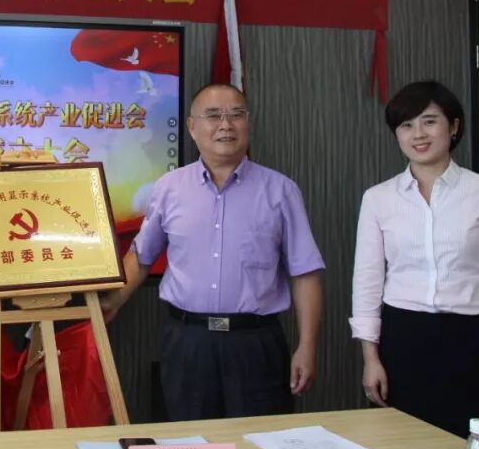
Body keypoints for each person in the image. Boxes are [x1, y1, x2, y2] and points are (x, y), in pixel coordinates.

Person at [101, 83, 324, 420]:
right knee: (192, 440)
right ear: (192, 127)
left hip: (255, 343)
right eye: (213, 115)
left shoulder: (281, 190)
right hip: (189, 342)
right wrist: (110, 303)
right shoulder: (169, 188)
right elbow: (141, 258)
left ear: (248, 122)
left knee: (260, 443)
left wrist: (307, 347)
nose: (226, 125)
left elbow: (305, 273)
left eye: (236, 115)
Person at [351, 80, 479, 449]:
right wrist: (370, 358)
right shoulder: (378, 199)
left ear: (453, 126)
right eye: (406, 125)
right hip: (402, 342)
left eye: (429, 121)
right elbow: (367, 282)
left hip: (472, 342)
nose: (418, 134)